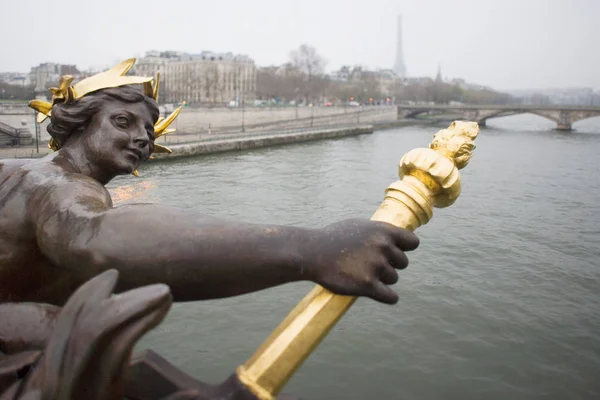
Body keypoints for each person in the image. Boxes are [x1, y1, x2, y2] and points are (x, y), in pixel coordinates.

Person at [0, 59, 419, 308]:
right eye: (123, 122)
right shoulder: (64, 189)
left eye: (150, 131)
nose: (142, 138)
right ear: (78, 124)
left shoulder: (15, 168)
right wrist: (313, 249)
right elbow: (94, 239)